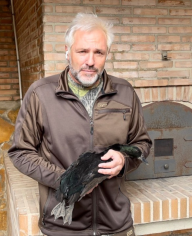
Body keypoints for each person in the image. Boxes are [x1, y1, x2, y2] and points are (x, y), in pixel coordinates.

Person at [8, 13, 152, 236]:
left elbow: (141, 143)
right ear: (67, 51)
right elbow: (20, 152)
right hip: (62, 227)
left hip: (116, 225)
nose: (91, 61)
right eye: (82, 51)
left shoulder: (125, 92)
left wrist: (124, 160)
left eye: (99, 53)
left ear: (107, 55)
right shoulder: (41, 94)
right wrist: (67, 181)